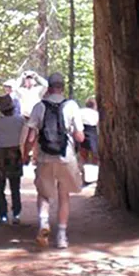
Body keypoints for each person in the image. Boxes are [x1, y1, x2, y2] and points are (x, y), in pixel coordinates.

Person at [23, 72, 84, 249]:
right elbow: (80, 137)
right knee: (63, 195)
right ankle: (62, 236)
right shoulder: (71, 106)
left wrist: (25, 155)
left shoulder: (39, 107)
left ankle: (43, 225)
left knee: (44, 193)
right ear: (62, 87)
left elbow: (30, 137)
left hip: (44, 156)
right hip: (65, 156)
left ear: (48, 88)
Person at [0, 94, 25, 225]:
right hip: (15, 153)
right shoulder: (20, 120)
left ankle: (2, 215)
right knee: (15, 187)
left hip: (0, 154)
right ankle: (16, 214)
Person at [16, 70, 47, 163]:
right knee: (23, 139)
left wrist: (37, 76)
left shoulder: (38, 90)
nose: (29, 81)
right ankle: (22, 157)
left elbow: (46, 85)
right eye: (27, 79)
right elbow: (14, 87)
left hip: (36, 117)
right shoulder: (22, 91)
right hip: (25, 117)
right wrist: (21, 77)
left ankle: (35, 158)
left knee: (35, 139)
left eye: (31, 79)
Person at [77, 97, 100, 185]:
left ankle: (83, 177)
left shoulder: (80, 111)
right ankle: (95, 176)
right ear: (94, 105)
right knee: (95, 156)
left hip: (81, 133)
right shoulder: (95, 113)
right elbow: (98, 124)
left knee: (83, 157)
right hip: (91, 133)